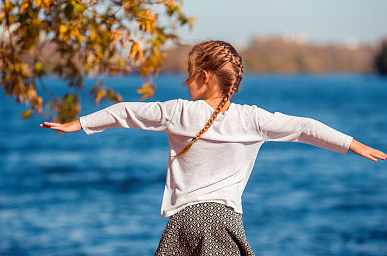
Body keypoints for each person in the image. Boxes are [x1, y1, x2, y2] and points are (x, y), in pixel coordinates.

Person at [40, 40, 386, 255]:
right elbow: (305, 128)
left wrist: (79, 124)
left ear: (204, 77)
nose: (185, 81)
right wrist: (352, 144)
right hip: (222, 222)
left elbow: (125, 111)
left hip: (183, 224)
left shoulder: (177, 111)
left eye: (189, 74)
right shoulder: (253, 119)